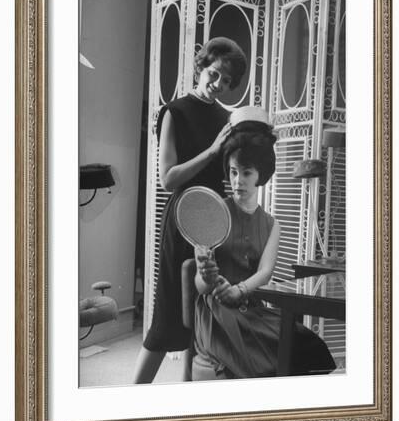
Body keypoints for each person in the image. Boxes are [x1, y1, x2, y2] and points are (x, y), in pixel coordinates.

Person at [133, 37, 248, 383]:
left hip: (216, 222)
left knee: (203, 312)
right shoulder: (175, 112)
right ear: (201, 67)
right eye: (214, 74)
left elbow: (236, 172)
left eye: (227, 82)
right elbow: (168, 178)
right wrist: (214, 151)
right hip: (183, 218)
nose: (218, 85)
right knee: (169, 314)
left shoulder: (228, 118)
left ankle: (187, 393)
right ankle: (130, 396)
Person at [192, 111, 336, 380]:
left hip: (252, 306)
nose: (238, 181)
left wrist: (240, 291)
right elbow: (199, 287)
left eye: (246, 173)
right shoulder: (212, 213)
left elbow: (265, 272)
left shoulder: (272, 225)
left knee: (305, 343)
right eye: (234, 172)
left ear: (261, 175)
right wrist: (205, 275)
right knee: (262, 361)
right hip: (217, 311)